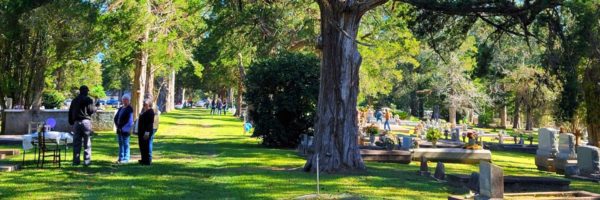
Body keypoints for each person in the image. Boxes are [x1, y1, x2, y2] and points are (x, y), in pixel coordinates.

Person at [68, 85, 96, 166]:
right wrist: (95, 108)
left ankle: (76, 161)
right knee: (87, 142)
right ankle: (86, 161)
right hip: (86, 122)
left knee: (76, 142)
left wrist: (71, 121)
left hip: (77, 122)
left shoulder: (74, 100)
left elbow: (70, 111)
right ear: (86, 91)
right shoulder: (88, 100)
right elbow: (91, 111)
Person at [113, 94, 133, 164]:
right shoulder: (121, 108)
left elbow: (129, 121)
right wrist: (117, 126)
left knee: (125, 144)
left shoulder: (129, 109)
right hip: (119, 129)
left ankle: (126, 158)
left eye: (126, 100)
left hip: (125, 130)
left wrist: (122, 127)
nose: (124, 101)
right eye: (123, 99)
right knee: (120, 144)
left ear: (128, 100)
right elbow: (116, 117)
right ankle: (120, 158)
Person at [138, 99, 155, 165]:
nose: (144, 105)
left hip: (146, 132)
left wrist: (147, 133)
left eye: (145, 104)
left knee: (146, 146)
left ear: (149, 104)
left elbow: (150, 124)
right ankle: (143, 159)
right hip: (141, 131)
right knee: (142, 146)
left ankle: (147, 161)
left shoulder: (150, 112)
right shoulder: (143, 111)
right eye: (143, 104)